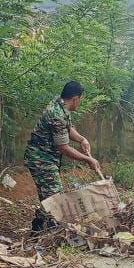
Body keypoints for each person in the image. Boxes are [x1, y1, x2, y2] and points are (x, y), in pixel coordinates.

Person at [24, 80, 100, 232]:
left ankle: (40, 226)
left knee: (50, 197)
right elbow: (64, 148)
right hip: (41, 159)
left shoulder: (60, 106)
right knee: (55, 196)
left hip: (47, 158)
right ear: (76, 98)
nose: (80, 102)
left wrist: (81, 139)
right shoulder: (57, 114)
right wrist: (87, 159)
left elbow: (68, 128)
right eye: (81, 99)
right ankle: (47, 227)